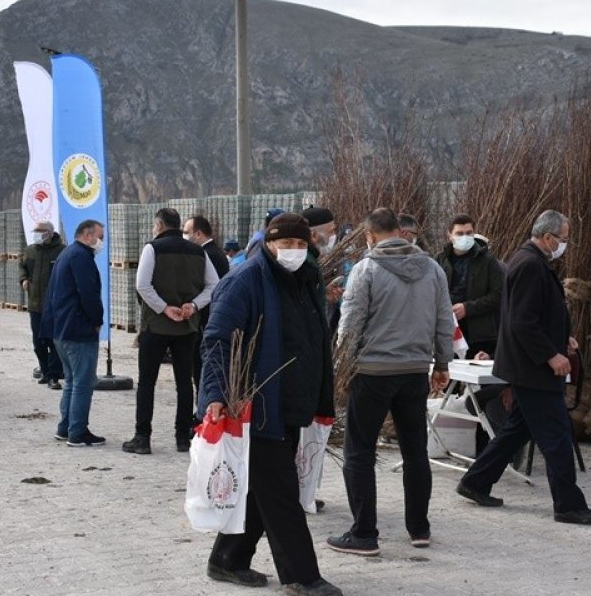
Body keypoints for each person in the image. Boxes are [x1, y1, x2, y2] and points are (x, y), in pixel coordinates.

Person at [198, 213, 342, 596]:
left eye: (299, 244)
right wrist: (214, 394)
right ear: (269, 243)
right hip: (258, 405)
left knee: (262, 489)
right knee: (280, 493)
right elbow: (217, 341)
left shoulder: (306, 280)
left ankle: (227, 559)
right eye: (285, 244)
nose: (293, 251)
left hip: (295, 403)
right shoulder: (245, 281)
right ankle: (302, 576)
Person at [455, 210, 591, 526]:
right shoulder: (529, 265)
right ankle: (568, 505)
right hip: (534, 370)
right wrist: (551, 356)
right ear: (547, 236)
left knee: (515, 432)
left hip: (530, 367)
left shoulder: (534, 263)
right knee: (556, 437)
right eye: (563, 239)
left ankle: (475, 482)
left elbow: (537, 315)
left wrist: (562, 337)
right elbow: (522, 321)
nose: (564, 244)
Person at [326, 208, 455, 556]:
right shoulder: (433, 269)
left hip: (372, 373)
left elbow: (350, 325)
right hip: (415, 372)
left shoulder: (366, 270)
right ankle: (419, 528)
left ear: (369, 235)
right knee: (415, 452)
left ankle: (364, 534)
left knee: (359, 452)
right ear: (400, 231)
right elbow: (445, 319)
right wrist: (442, 363)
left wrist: (342, 370)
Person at [124, 208, 219, 455]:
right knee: (185, 384)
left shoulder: (152, 248)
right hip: (187, 326)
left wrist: (164, 308)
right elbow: (215, 285)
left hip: (155, 326)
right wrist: (194, 305)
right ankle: (182, 437)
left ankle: (142, 437)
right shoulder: (199, 252)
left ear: (159, 224)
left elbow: (142, 285)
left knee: (147, 382)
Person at [42, 219, 107, 447]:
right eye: (100, 236)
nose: (102, 242)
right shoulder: (81, 257)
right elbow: (88, 293)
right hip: (78, 329)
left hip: (61, 328)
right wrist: (97, 320)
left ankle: (65, 426)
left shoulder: (67, 254)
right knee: (83, 382)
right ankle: (78, 432)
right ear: (88, 235)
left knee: (71, 380)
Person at [435, 214, 503, 359]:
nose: (464, 237)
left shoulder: (488, 261)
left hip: (480, 336)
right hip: (447, 332)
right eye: (459, 233)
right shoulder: (439, 260)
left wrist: (468, 308)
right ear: (450, 235)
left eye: (468, 233)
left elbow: (499, 295)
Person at [183, 215, 230, 425]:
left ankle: (201, 414)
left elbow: (210, 288)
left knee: (201, 369)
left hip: (206, 320)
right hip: (211, 317)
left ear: (199, 234)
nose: (185, 236)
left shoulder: (206, 254)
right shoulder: (217, 253)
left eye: (187, 232)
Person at [20, 221, 66, 390]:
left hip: (54, 306)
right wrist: (23, 279)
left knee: (54, 342)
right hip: (35, 304)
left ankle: (54, 376)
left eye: (39, 231)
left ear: (49, 233)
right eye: (35, 231)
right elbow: (22, 267)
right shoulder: (31, 250)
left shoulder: (61, 251)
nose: (36, 234)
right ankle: (45, 371)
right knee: (38, 342)